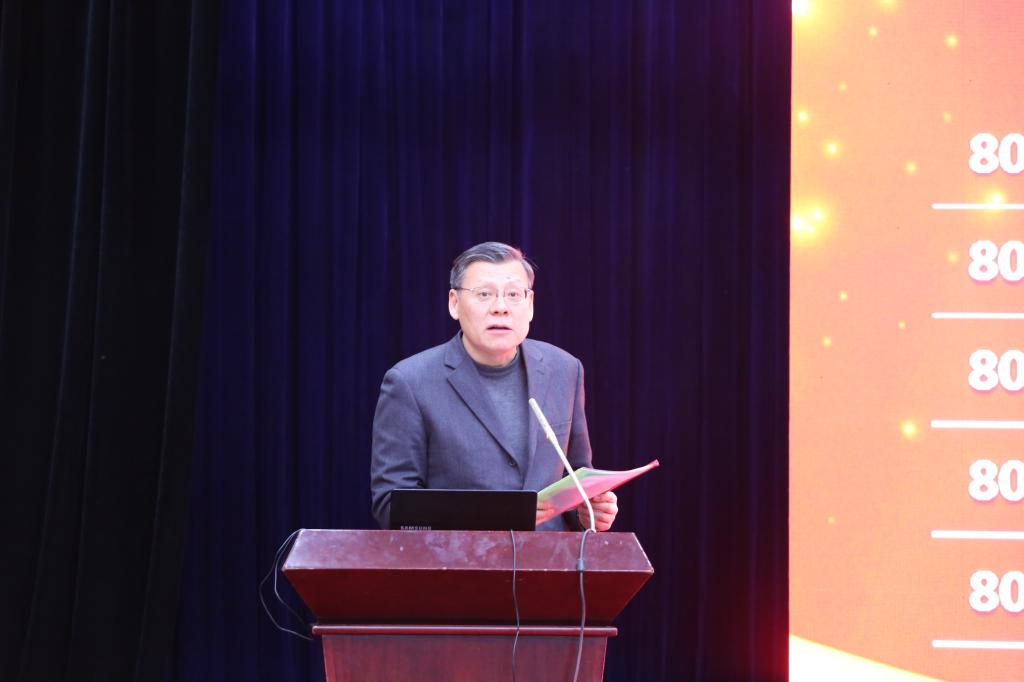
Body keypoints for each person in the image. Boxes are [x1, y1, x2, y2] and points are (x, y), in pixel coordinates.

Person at [370, 241, 618, 531]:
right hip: (460, 558)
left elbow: (575, 478)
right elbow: (391, 506)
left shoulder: (564, 370)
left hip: (550, 558)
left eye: (513, 294)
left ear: (530, 304)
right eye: (484, 294)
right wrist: (498, 513)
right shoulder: (410, 382)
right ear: (454, 303)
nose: (500, 308)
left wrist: (588, 512)